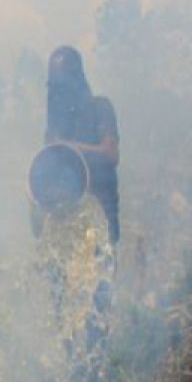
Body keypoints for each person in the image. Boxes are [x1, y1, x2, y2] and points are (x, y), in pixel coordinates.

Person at [43, 45, 120, 244]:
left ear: (77, 81)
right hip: (68, 228)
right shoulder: (56, 127)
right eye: (51, 87)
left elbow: (111, 153)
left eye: (60, 87)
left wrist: (70, 149)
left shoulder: (100, 108)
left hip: (101, 224)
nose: (54, 94)